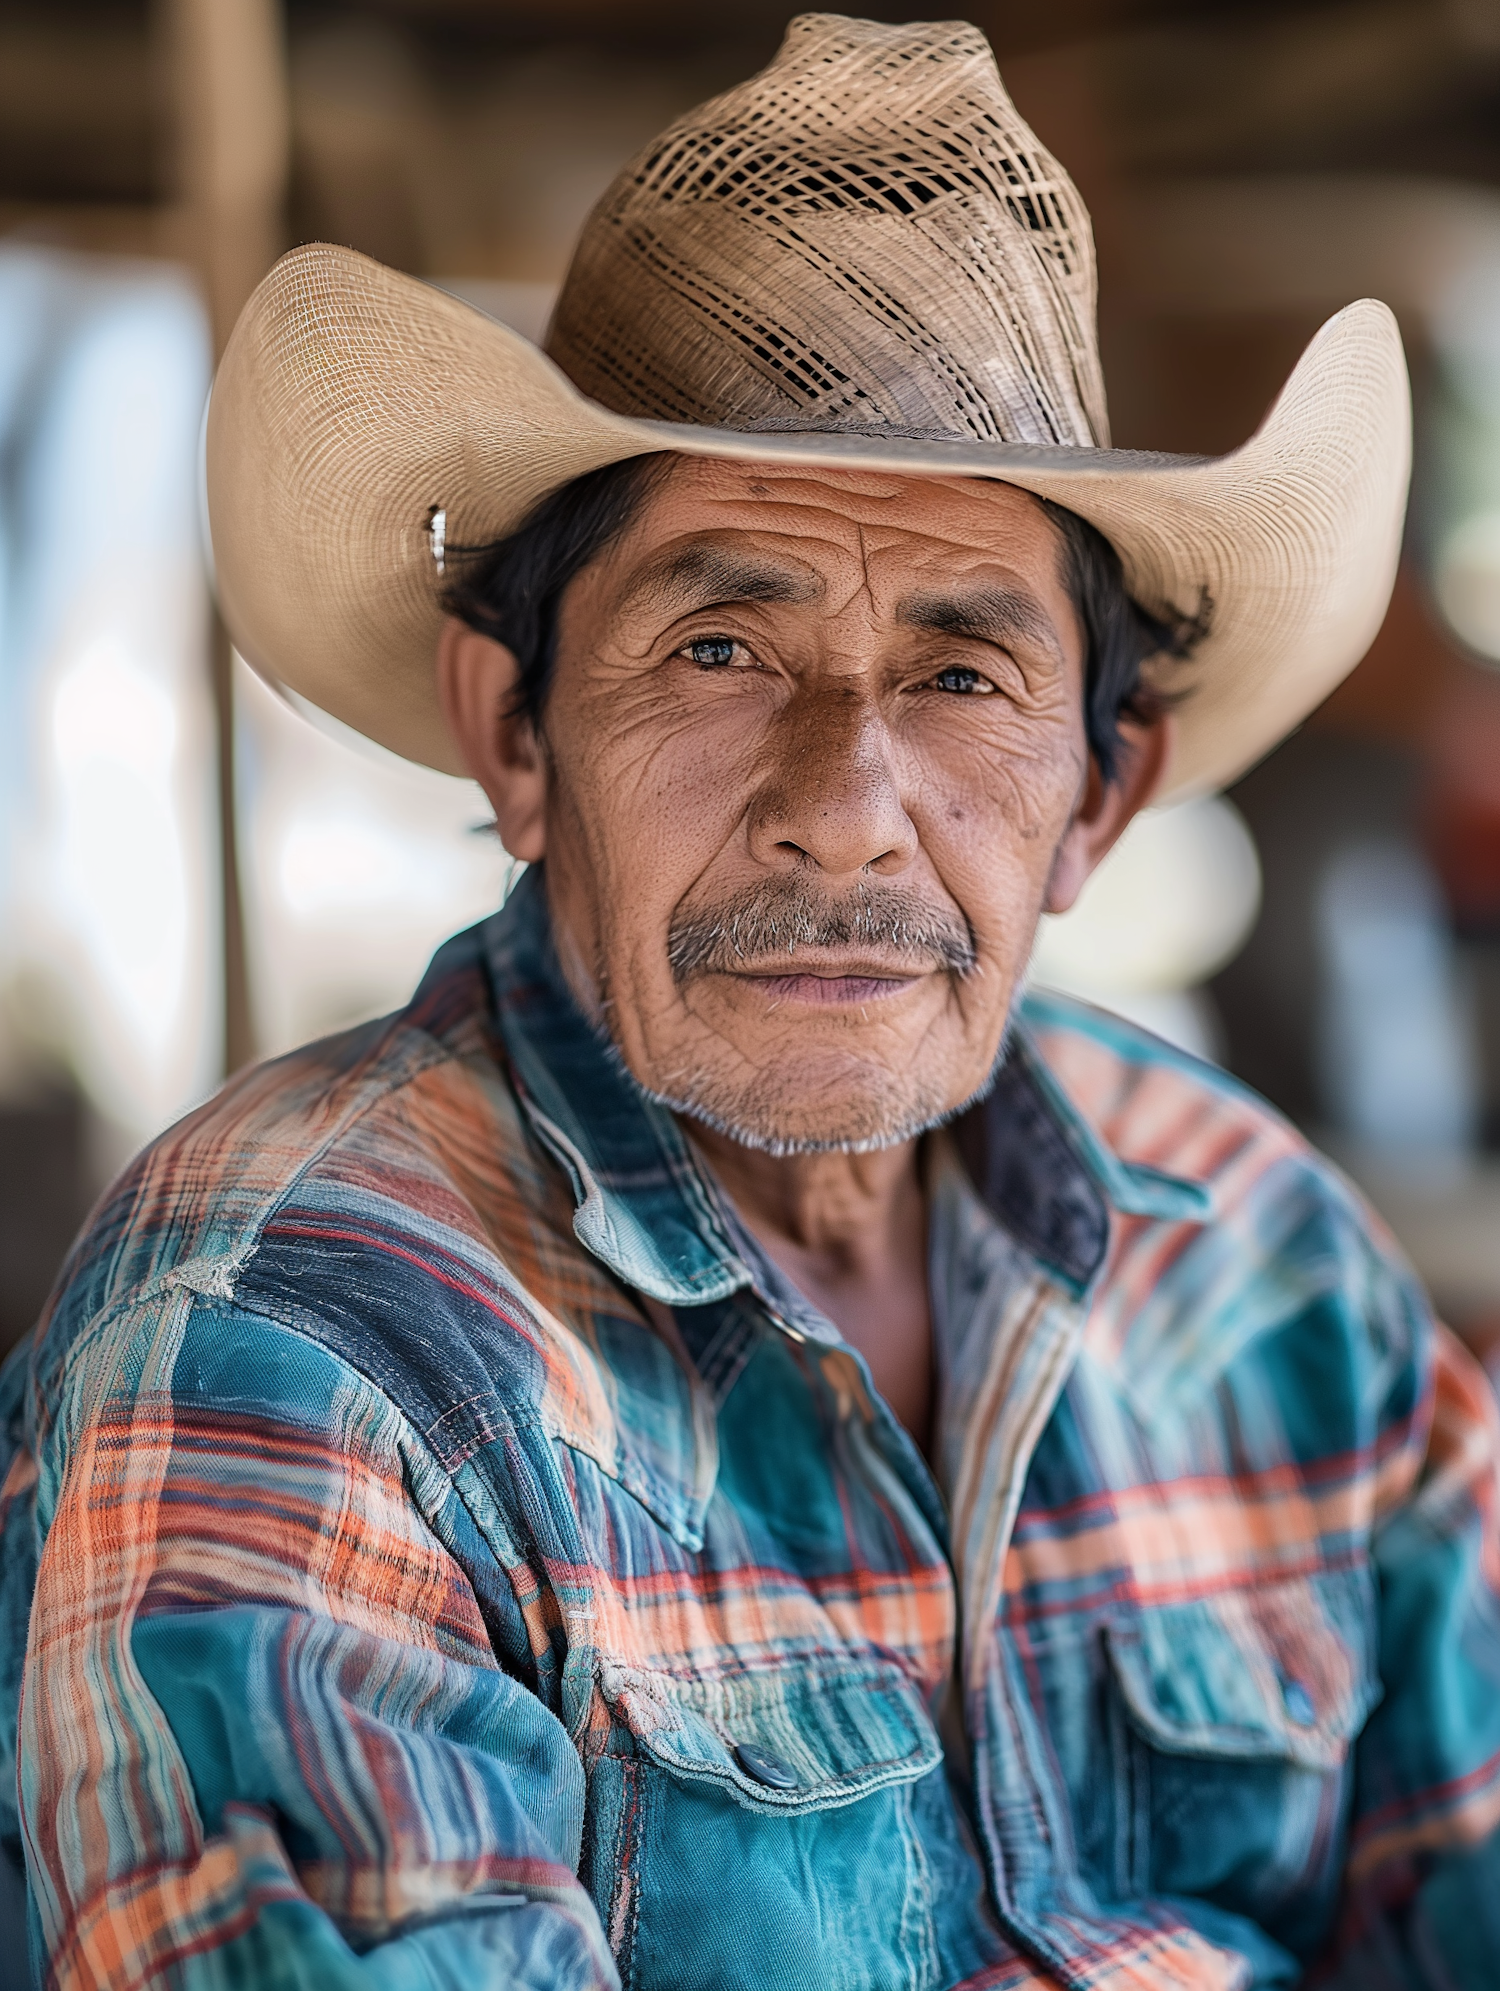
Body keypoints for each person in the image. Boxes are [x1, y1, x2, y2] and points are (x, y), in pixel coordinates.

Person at [2, 14, 1496, 1989]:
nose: (841, 812)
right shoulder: (296, 1339)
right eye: (720, 644)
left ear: (1098, 795)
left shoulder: (1260, 1257)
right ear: (516, 730)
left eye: (964, 675)